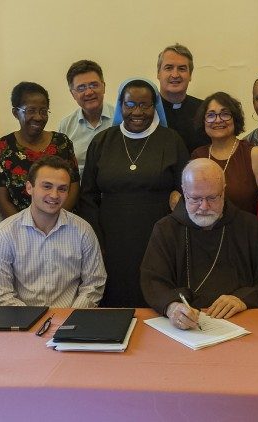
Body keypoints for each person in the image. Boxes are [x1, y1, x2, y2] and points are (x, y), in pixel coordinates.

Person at [79, 78, 189, 307]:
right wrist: (96, 238)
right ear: (121, 106)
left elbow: (185, 191)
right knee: (116, 299)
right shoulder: (102, 141)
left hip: (159, 235)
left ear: (155, 106)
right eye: (130, 104)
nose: (137, 112)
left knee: (155, 296)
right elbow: (87, 195)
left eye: (145, 105)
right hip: (112, 238)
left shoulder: (171, 140)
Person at [141, 159, 258, 329]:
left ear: (224, 191)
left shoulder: (249, 226)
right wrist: (172, 307)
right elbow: (153, 281)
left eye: (212, 197)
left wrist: (243, 299)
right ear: (184, 193)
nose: (204, 206)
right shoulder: (166, 229)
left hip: (243, 322)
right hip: (187, 329)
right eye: (195, 198)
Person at [0, 156, 106, 307]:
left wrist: (71, 317)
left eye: (62, 189)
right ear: (29, 187)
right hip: (23, 322)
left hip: (71, 321)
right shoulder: (5, 233)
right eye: (47, 186)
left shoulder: (83, 230)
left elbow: (94, 283)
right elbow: (1, 294)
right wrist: (33, 323)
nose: (54, 195)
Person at [0, 82, 80, 218]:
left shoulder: (62, 143)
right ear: (16, 113)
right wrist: (24, 227)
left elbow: (73, 186)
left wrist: (55, 220)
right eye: (31, 111)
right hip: (20, 228)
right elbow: (1, 199)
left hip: (63, 223)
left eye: (43, 111)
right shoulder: (2, 147)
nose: (38, 117)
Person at [191, 92, 258, 215]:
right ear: (203, 121)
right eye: (211, 115)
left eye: (225, 114)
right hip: (208, 230)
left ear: (235, 118)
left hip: (247, 231)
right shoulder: (198, 156)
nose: (218, 120)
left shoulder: (254, 154)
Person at [57, 60, 115, 175]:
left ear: (103, 86)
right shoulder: (66, 126)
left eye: (94, 85)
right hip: (80, 191)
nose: (89, 92)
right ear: (73, 94)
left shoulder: (121, 119)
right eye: (81, 88)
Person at [156, 43, 206, 153]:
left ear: (190, 75)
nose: (175, 74)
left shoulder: (204, 110)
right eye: (168, 68)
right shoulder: (147, 110)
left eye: (182, 69)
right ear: (158, 73)